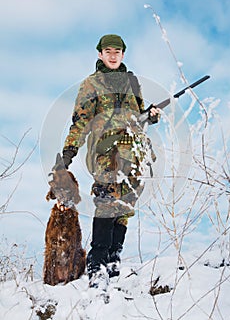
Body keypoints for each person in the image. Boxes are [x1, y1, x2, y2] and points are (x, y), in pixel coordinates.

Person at [55, 34, 160, 287]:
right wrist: (69, 152)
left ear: (123, 54)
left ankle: (113, 262)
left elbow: (138, 118)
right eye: (108, 51)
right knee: (105, 200)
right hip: (106, 153)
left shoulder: (132, 82)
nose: (113, 55)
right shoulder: (91, 84)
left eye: (117, 51)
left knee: (124, 207)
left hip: (134, 154)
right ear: (100, 54)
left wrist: (150, 116)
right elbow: (80, 122)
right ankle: (97, 264)